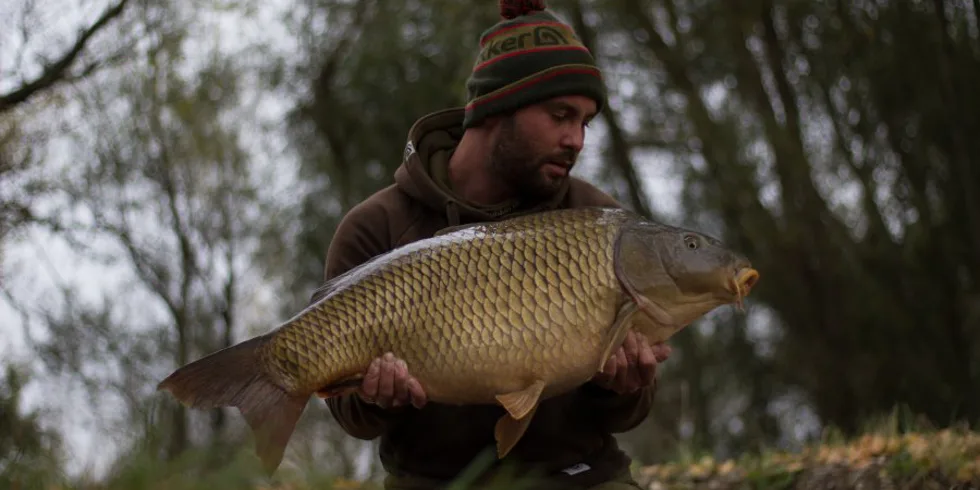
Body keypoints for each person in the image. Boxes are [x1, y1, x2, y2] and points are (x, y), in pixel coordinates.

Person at [313, 1, 672, 488]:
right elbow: (351, 416)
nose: (576, 140)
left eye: (585, 122)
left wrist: (625, 385)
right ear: (495, 109)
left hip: (580, 475)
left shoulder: (598, 225)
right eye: (560, 115)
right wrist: (377, 398)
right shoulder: (377, 226)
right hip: (432, 480)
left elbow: (629, 415)